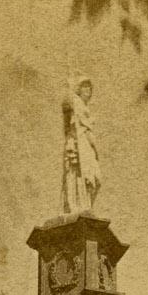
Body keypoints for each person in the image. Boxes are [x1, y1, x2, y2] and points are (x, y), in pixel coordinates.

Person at [62, 76, 101, 213]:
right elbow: (66, 104)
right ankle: (79, 206)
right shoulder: (76, 103)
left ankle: (86, 206)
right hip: (78, 143)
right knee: (78, 175)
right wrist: (68, 87)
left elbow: (89, 131)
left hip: (88, 147)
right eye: (84, 86)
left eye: (89, 87)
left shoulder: (84, 108)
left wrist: (96, 150)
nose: (88, 90)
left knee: (96, 179)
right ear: (79, 90)